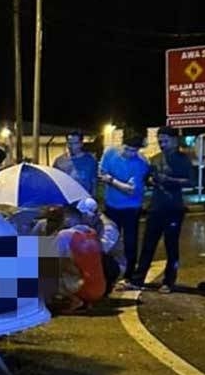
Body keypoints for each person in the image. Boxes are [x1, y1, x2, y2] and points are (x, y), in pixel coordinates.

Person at [128, 126, 193, 292]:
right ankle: (137, 280)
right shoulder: (155, 158)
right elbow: (147, 178)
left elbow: (190, 182)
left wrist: (169, 180)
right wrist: (150, 180)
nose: (162, 144)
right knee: (148, 245)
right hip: (156, 207)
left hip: (174, 208)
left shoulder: (183, 159)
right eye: (160, 141)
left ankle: (169, 281)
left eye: (165, 141)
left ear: (174, 140)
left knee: (171, 246)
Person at [98, 135, 150, 283]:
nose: (130, 153)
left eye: (134, 150)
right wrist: (118, 183)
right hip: (111, 205)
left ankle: (129, 275)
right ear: (122, 144)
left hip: (131, 208)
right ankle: (108, 272)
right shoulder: (110, 153)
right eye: (127, 149)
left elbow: (131, 190)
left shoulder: (141, 163)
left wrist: (112, 180)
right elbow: (102, 174)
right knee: (109, 239)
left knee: (130, 242)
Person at [78, 197, 126, 296]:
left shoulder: (109, 228)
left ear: (96, 214)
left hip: (114, 264)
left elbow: (100, 251)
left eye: (85, 215)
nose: (83, 218)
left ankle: (103, 286)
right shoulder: (88, 223)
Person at [53, 130, 98, 196]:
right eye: (69, 143)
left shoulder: (90, 161)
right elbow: (55, 183)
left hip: (84, 201)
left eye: (75, 143)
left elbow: (93, 182)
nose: (71, 146)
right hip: (65, 201)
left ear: (81, 144)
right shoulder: (59, 161)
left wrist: (93, 199)